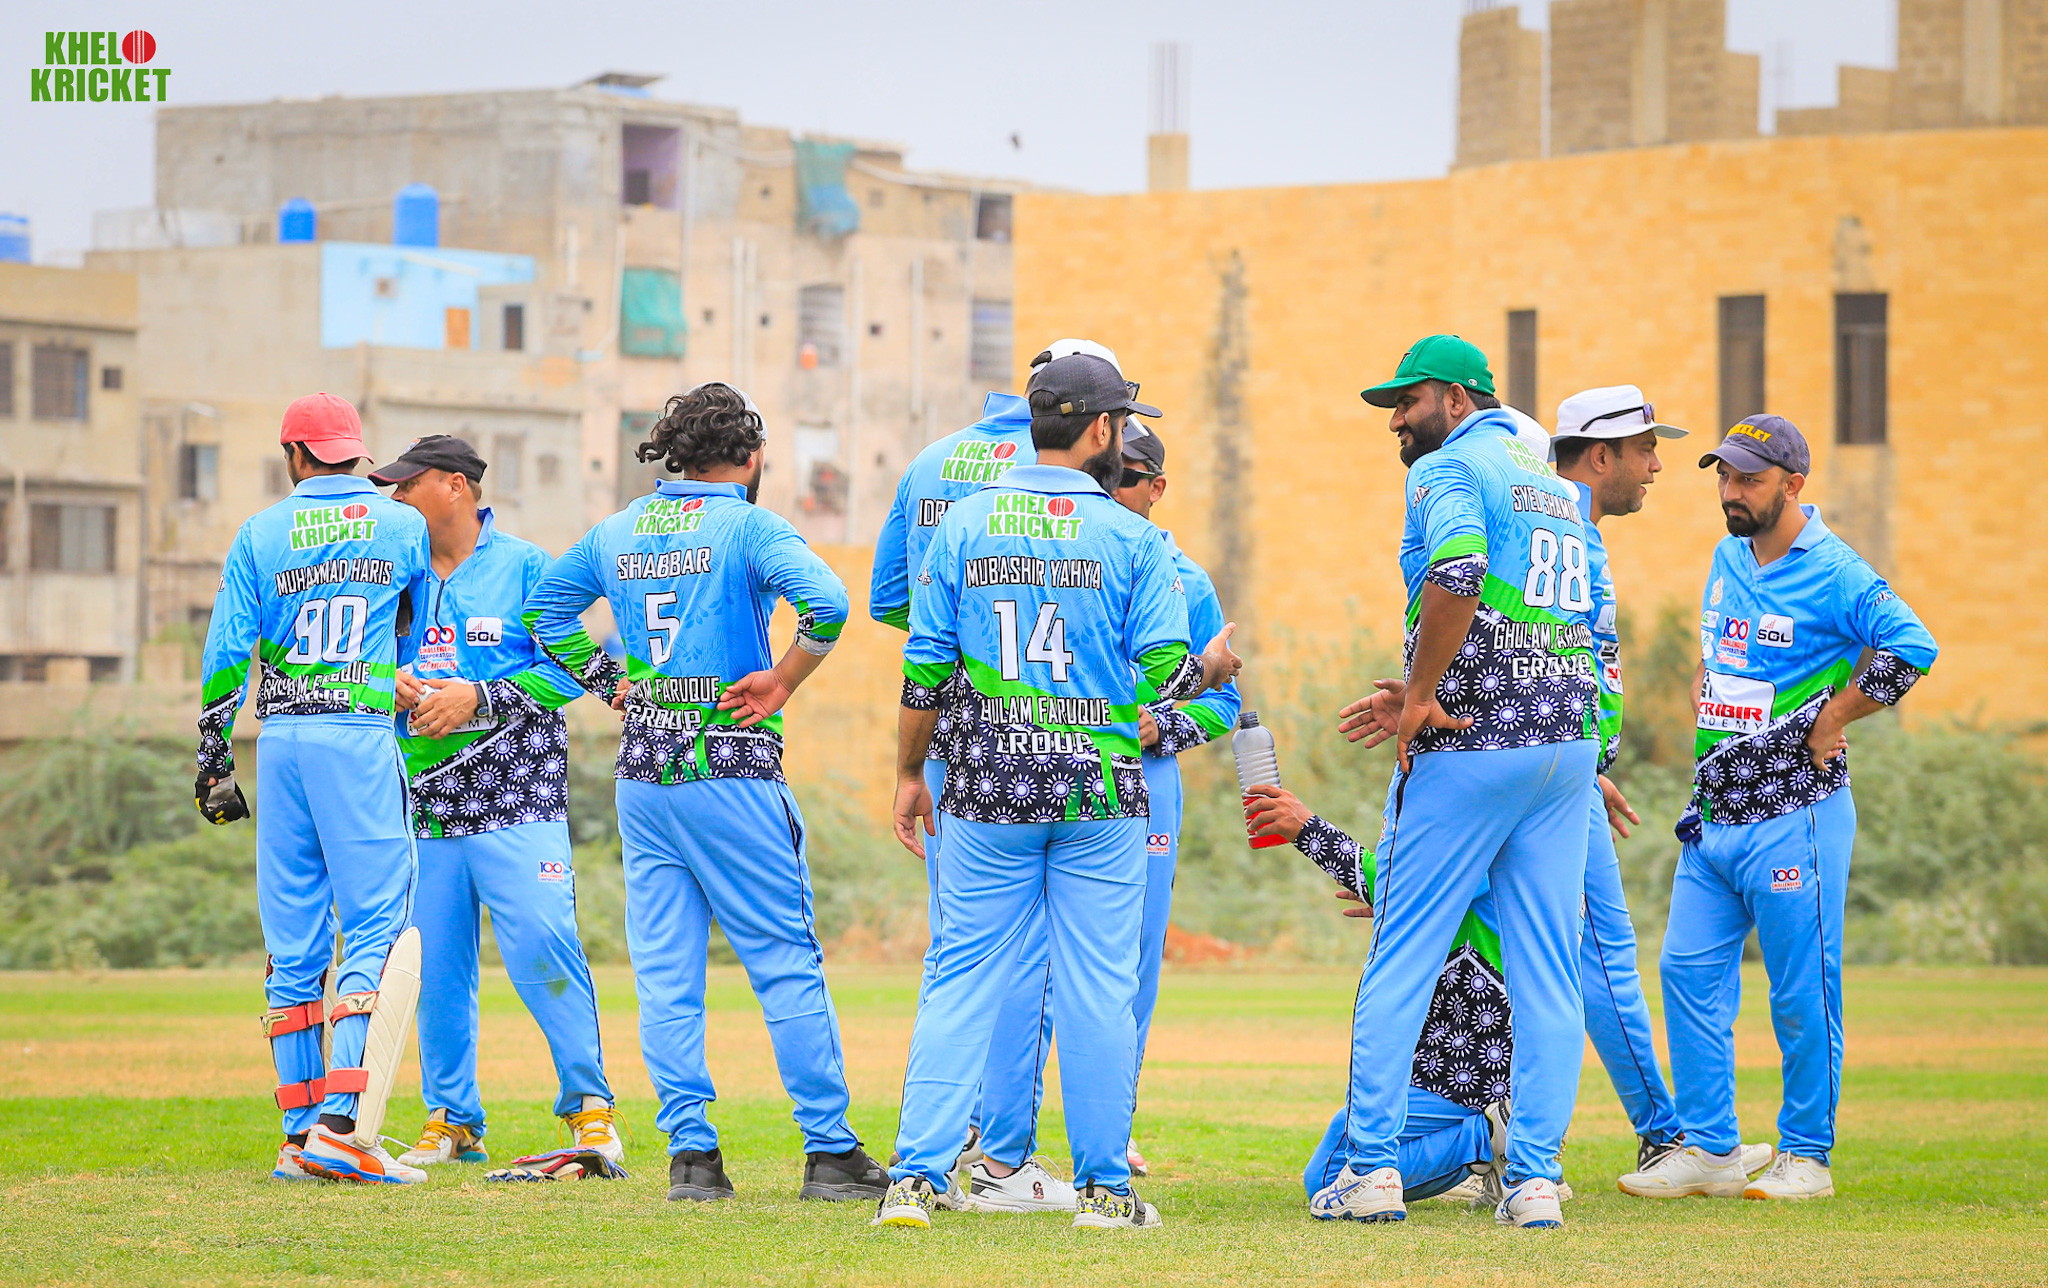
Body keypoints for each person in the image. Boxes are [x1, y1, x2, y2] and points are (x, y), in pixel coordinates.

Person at [874, 352, 1241, 1231]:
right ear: (1104, 429)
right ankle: (1105, 1191)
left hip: (985, 785)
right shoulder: (1135, 539)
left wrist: (909, 772)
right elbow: (1167, 678)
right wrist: (1211, 668)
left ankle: (915, 1180)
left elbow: (925, 668)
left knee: (960, 976)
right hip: (1097, 791)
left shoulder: (966, 523)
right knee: (1099, 987)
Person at [523, 382, 888, 1205]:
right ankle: (830, 1151)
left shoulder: (617, 531)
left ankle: (692, 1157)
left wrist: (609, 684)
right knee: (784, 962)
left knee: (665, 973)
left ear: (673, 456)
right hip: (731, 767)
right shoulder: (750, 526)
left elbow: (544, 614)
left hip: (645, 774)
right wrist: (784, 679)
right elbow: (829, 605)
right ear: (751, 458)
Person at [1316, 335, 1598, 1230]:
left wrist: (1423, 694)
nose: (1396, 420)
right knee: (1550, 970)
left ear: (1457, 398)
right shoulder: (1552, 483)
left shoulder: (1449, 467)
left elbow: (1460, 569)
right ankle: (1536, 1180)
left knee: (1401, 952)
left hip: (1471, 746)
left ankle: (1372, 1170)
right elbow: (1581, 617)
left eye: (1408, 401)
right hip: (1564, 745)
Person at [1619, 415, 1937, 1202]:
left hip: (1798, 814)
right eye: (1724, 476)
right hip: (1714, 816)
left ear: (1793, 485)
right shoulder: (1726, 556)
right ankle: (1712, 1150)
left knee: (1800, 992)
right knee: (1686, 973)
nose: (1730, 491)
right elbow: (1729, 661)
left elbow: (1913, 646)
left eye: (1749, 480)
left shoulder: (1835, 570)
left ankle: (1806, 1158)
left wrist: (1836, 716)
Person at [361, 435, 620, 1173]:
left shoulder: (529, 569)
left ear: (454, 485)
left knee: (544, 944)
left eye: (406, 485)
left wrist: (479, 696)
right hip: (424, 804)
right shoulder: (395, 575)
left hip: (518, 797)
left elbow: (574, 670)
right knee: (436, 967)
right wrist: (389, 683)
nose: (396, 499)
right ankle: (452, 1119)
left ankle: (591, 1111)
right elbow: (365, 664)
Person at [194, 392, 432, 1184]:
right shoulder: (401, 526)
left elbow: (228, 650)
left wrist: (214, 757)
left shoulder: (259, 533)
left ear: (294, 455)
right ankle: (342, 1127)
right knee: (374, 928)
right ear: (357, 454)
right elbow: (410, 627)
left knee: (293, 945)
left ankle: (298, 1135)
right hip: (358, 737)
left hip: (283, 744)